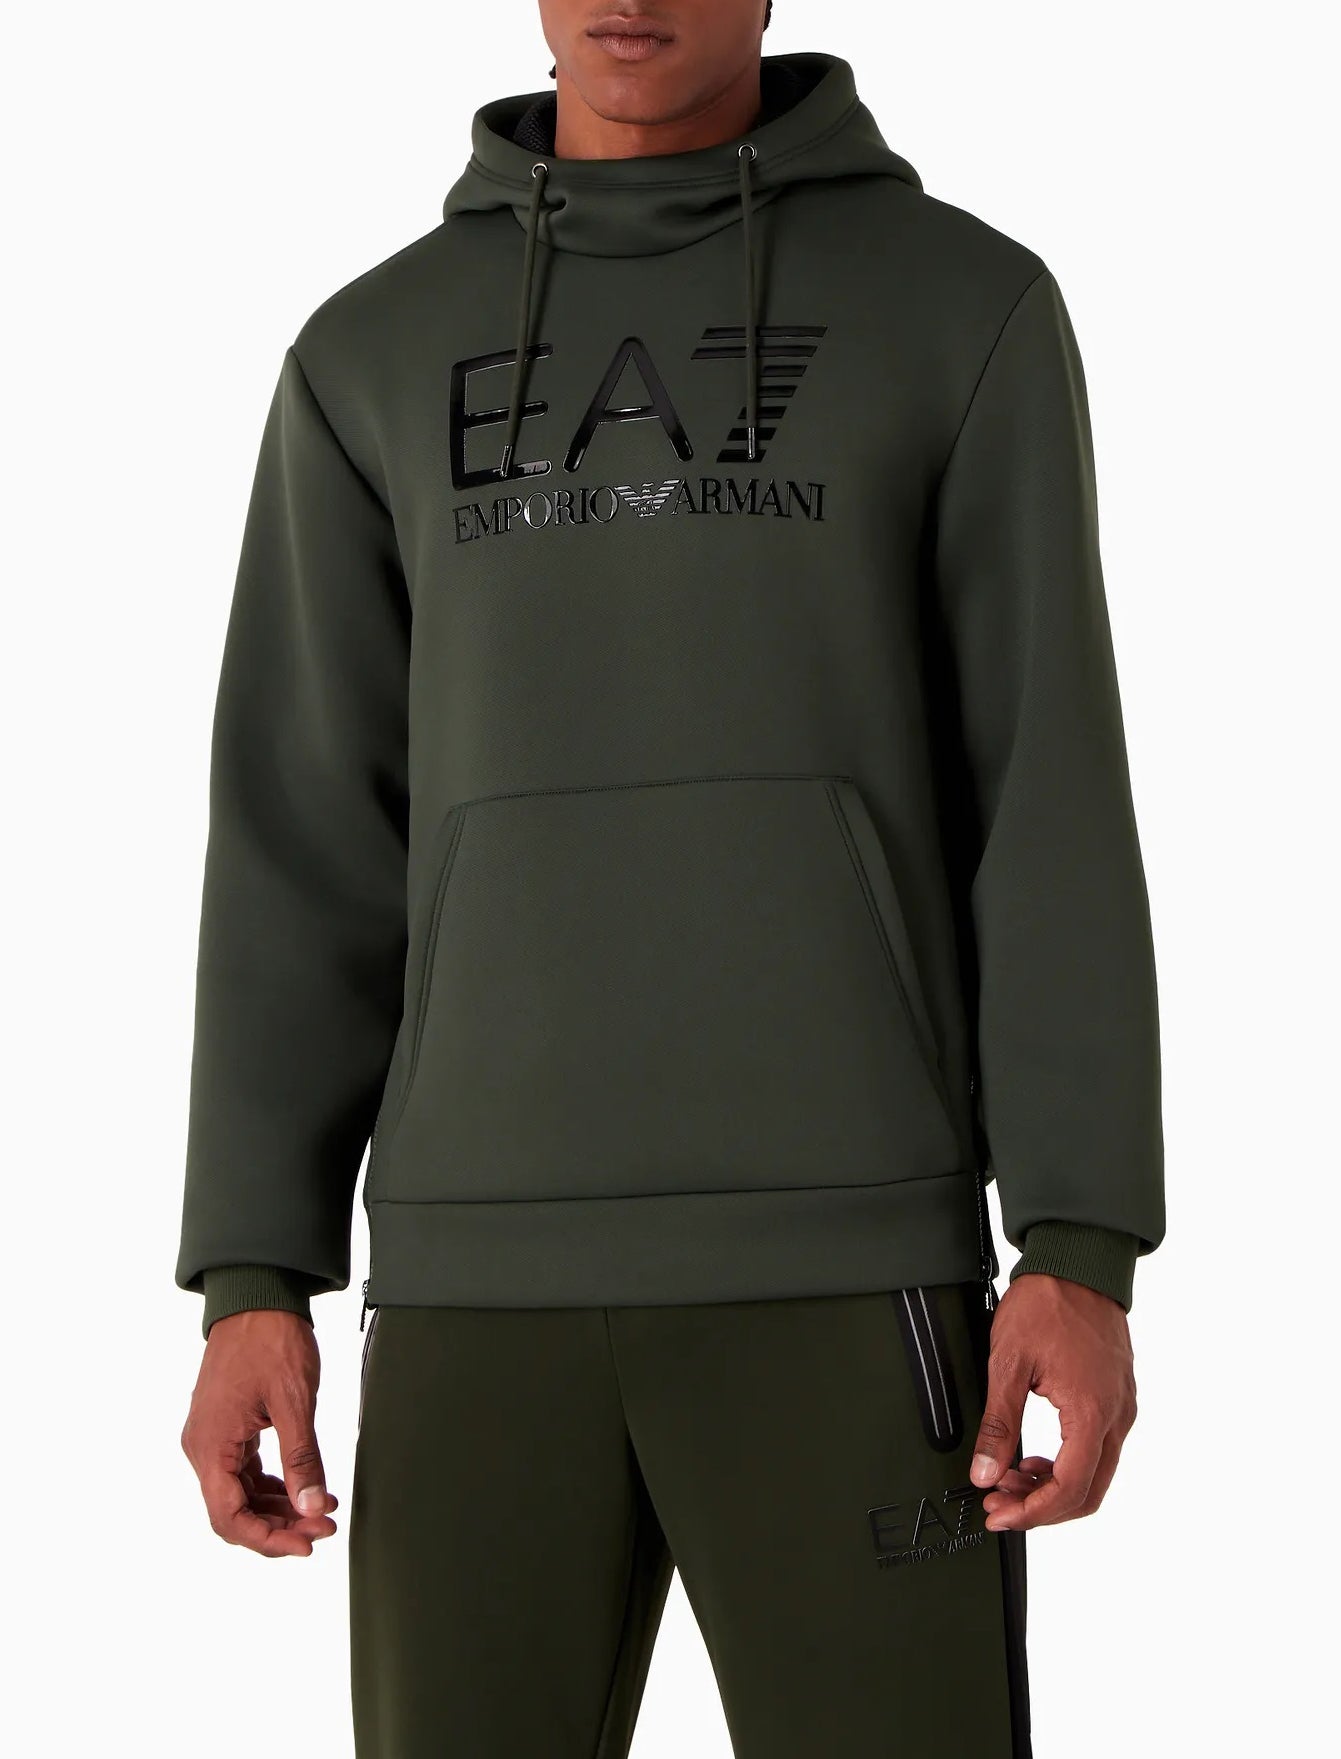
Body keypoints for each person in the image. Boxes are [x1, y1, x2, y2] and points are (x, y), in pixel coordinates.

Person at [178, 3, 1165, 1753]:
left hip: (847, 1262)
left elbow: (1047, 794)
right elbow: (303, 832)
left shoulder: (962, 309)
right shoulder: (369, 352)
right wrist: (253, 1272)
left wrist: (1078, 1244)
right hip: (477, 1286)